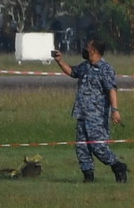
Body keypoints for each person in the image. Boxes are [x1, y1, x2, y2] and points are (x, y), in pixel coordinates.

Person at [52, 40, 127, 183]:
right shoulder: (85, 66)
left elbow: (111, 89)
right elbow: (72, 72)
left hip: (97, 116)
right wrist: (60, 61)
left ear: (95, 51)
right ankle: (88, 176)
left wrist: (115, 110)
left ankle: (118, 166)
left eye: (88, 48)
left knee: (98, 147)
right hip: (82, 114)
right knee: (82, 148)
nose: (85, 50)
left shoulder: (106, 69)